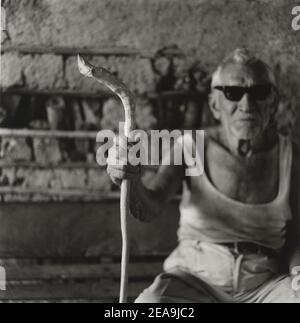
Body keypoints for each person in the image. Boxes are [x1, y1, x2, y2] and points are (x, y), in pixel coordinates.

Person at [106, 48, 300, 303]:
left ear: (272, 102)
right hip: (194, 281)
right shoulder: (191, 147)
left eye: (259, 93)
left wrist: (297, 276)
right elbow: (149, 206)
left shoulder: (291, 156)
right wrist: (129, 179)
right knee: (152, 306)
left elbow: (297, 235)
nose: (246, 105)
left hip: (264, 288)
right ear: (214, 104)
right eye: (233, 93)